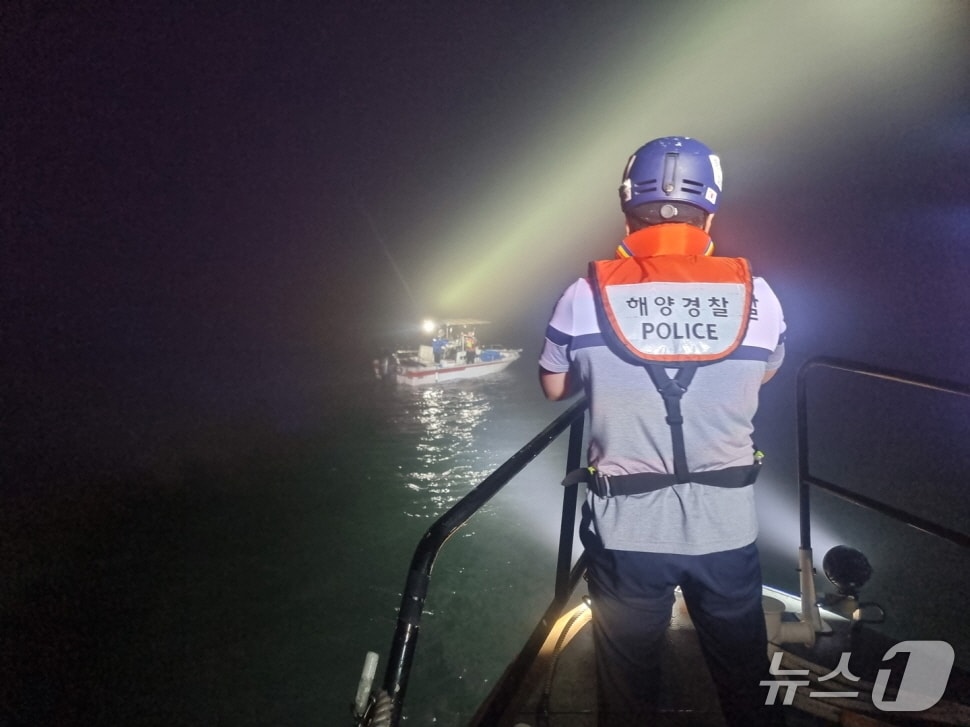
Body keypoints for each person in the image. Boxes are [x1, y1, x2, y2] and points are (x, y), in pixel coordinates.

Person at [538, 136, 787, 726]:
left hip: (627, 533)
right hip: (727, 528)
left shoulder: (583, 296)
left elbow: (553, 388)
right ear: (711, 213)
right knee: (746, 682)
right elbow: (762, 377)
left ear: (627, 210)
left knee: (627, 693)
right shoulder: (761, 297)